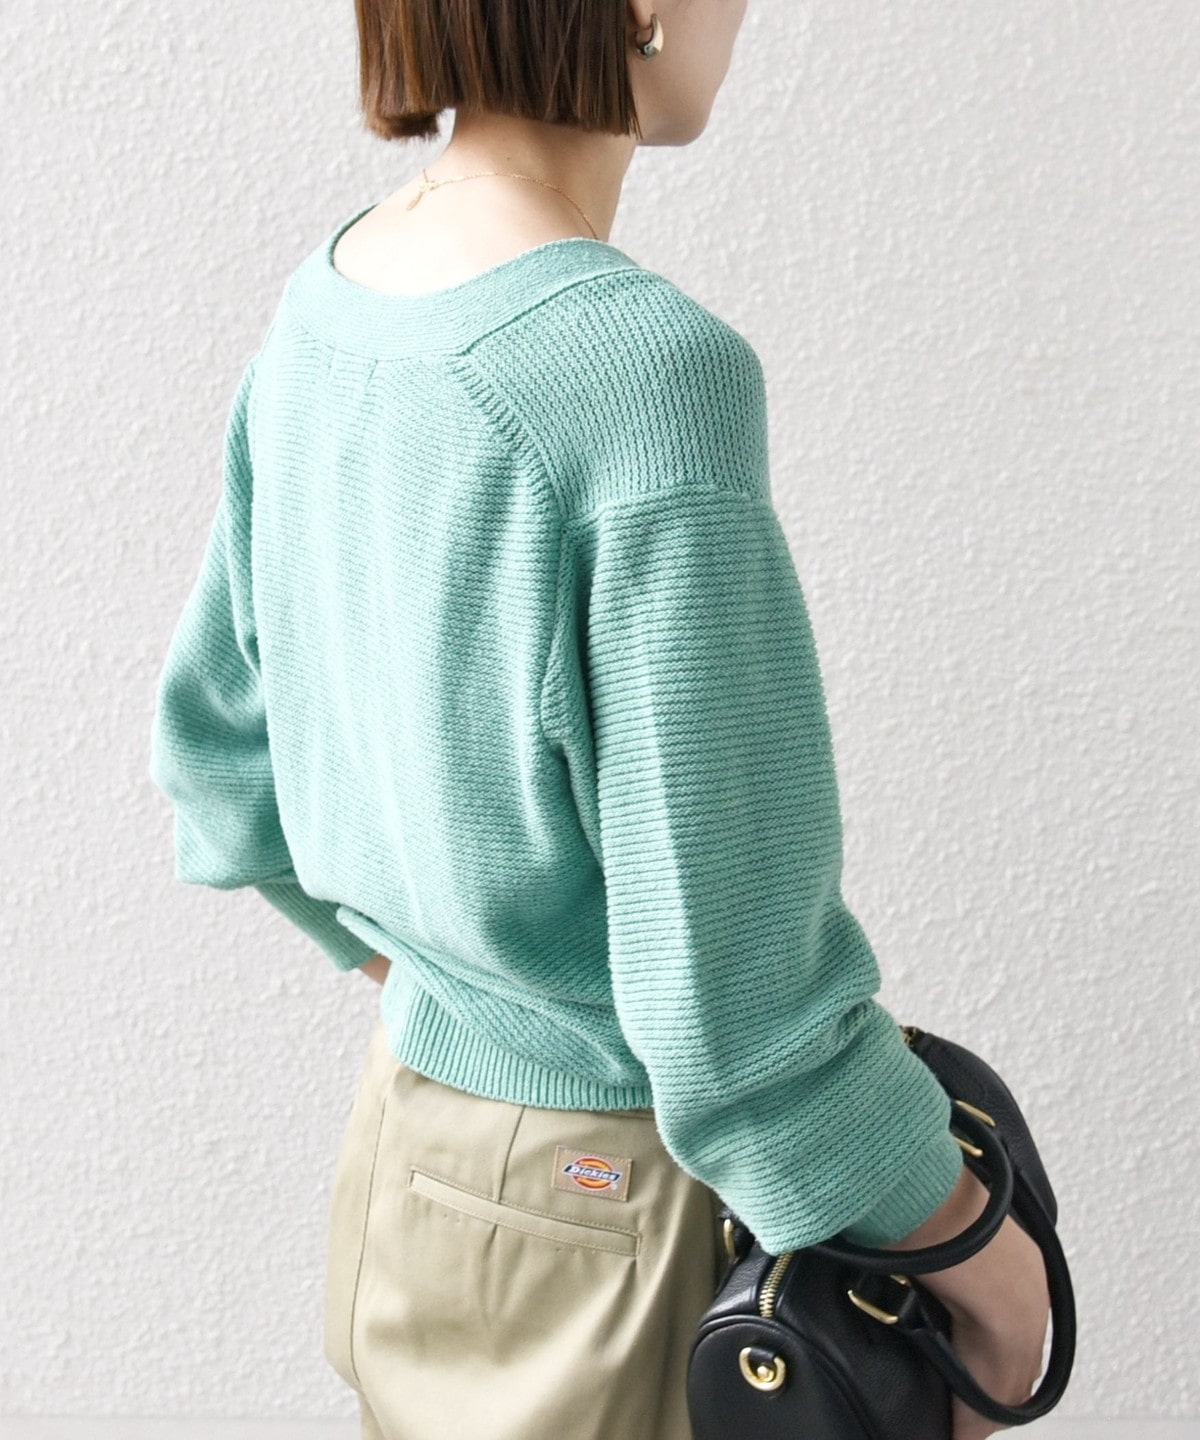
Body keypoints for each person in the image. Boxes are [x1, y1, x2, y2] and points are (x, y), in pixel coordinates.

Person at [147, 0, 1050, 1436]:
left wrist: (467, 989)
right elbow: (739, 1010)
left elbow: (218, 760)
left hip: (410, 1165)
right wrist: (996, 1282)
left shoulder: (335, 300)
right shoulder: (645, 381)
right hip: (612, 1213)